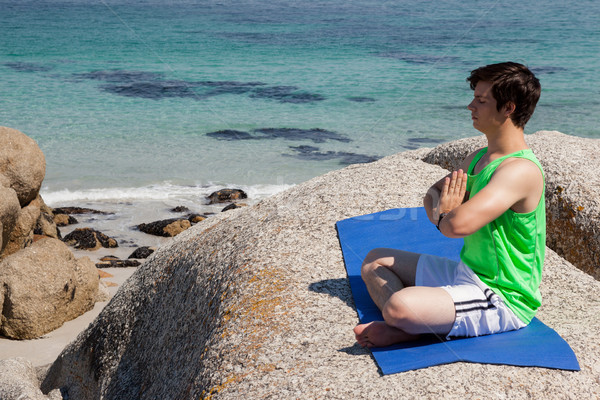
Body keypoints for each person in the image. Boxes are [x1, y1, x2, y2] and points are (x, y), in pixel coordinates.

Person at [354, 62, 544, 347]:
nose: (470, 106)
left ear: (509, 108)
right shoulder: (479, 157)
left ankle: (404, 323)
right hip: (465, 272)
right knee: (373, 261)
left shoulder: (519, 171)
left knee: (399, 306)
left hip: (502, 295)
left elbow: (457, 225)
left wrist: (445, 214)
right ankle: (408, 325)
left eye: (481, 100)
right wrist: (444, 214)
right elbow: (432, 194)